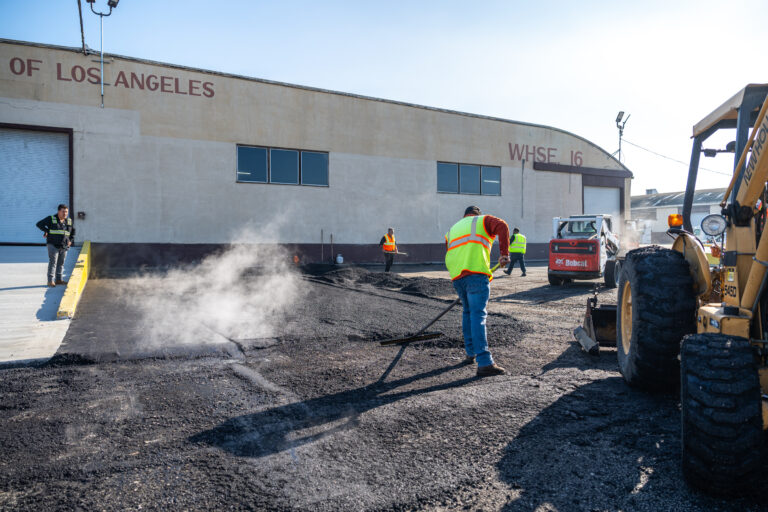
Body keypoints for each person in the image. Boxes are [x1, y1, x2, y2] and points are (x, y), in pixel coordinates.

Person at [445, 206, 510, 377]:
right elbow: (502, 226)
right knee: (477, 315)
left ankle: (470, 352)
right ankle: (484, 362)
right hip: (475, 274)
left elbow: (451, 251)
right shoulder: (482, 221)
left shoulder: (452, 229)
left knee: (468, 313)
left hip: (458, 277)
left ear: (465, 215)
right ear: (477, 215)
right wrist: (504, 254)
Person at [36, 204, 75, 287]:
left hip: (64, 245)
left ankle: (59, 280)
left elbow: (72, 232)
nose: (65, 214)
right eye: (63, 212)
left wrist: (70, 240)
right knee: (53, 262)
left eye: (66, 212)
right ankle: (50, 281)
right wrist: (47, 231)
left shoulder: (69, 221)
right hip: (52, 244)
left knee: (61, 263)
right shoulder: (51, 219)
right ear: (58, 211)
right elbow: (39, 224)